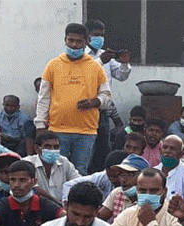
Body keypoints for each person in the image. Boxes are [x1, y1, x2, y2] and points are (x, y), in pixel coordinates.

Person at [34, 23, 111, 175]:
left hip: (86, 132)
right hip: (57, 130)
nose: (74, 45)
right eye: (71, 40)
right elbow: (44, 98)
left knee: (79, 172)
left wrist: (94, 102)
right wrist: (40, 126)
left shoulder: (95, 67)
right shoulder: (53, 65)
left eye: (79, 41)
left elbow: (106, 96)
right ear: (65, 40)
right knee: (55, 171)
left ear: (86, 41)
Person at [84, 19, 131, 174]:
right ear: (87, 36)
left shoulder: (105, 56)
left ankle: (101, 177)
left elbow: (121, 76)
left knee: (102, 149)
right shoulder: (81, 55)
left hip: (102, 110)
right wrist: (100, 61)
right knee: (86, 149)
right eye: (96, 35)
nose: (100, 39)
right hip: (85, 109)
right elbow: (84, 73)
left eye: (102, 35)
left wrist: (124, 63)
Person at [23, 132, 81, 201]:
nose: (52, 150)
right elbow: (33, 188)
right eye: (48, 146)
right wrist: (57, 204)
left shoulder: (64, 162)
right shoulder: (28, 162)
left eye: (56, 147)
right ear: (37, 148)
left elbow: (78, 181)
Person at [62, 150, 128, 203]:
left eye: (115, 176)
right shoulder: (103, 176)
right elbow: (69, 185)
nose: (112, 180)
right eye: (110, 177)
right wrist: (68, 204)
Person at [99, 153, 148, 222]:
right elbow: (99, 217)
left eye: (130, 174)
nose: (123, 179)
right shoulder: (117, 193)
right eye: (121, 174)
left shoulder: (149, 199)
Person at [156, 134, 184, 201]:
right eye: (165, 147)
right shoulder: (153, 172)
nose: (167, 151)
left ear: (181, 154)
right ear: (160, 150)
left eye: (173, 149)